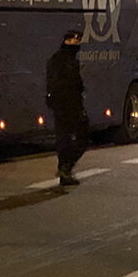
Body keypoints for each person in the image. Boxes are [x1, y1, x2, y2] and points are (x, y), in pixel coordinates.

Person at [45, 29, 89, 186]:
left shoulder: (61, 59)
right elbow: (66, 85)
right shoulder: (63, 61)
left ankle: (65, 170)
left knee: (65, 138)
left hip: (63, 105)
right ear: (67, 41)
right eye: (75, 42)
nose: (77, 45)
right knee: (77, 137)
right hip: (67, 105)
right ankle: (66, 168)